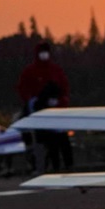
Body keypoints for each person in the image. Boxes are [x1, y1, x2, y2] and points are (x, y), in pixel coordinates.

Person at [16, 41, 73, 172]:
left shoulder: (56, 70)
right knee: (44, 142)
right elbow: (23, 89)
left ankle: (67, 165)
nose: (44, 55)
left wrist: (60, 101)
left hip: (57, 114)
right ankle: (47, 166)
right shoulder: (29, 71)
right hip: (39, 113)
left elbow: (64, 88)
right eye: (42, 52)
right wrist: (32, 102)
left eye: (46, 52)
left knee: (62, 140)